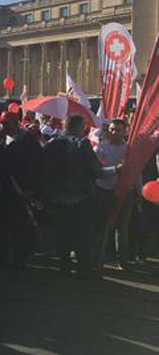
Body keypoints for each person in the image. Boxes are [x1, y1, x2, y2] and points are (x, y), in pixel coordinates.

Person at [43, 114, 118, 277]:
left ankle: (64, 267)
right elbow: (96, 171)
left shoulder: (51, 144)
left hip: (57, 197)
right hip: (80, 197)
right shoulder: (82, 144)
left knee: (62, 234)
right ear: (80, 127)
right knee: (81, 234)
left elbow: (44, 171)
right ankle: (83, 268)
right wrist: (115, 169)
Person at [0, 111, 43, 269]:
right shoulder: (0, 140)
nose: (3, 127)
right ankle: (1, 258)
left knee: (20, 227)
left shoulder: (28, 141)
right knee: (1, 226)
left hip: (20, 190)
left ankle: (20, 259)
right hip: (3, 191)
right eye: (2, 124)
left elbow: (36, 167)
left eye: (6, 124)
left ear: (15, 123)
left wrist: (30, 188)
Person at [93, 119, 130, 269]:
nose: (114, 132)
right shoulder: (101, 147)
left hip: (124, 191)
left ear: (125, 131)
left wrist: (139, 191)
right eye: (112, 129)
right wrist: (115, 169)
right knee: (102, 226)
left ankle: (123, 261)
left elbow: (136, 172)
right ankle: (98, 258)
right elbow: (97, 171)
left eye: (118, 130)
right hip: (103, 190)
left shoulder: (129, 149)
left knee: (122, 228)